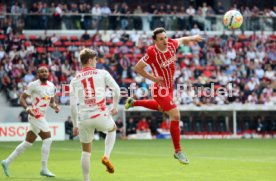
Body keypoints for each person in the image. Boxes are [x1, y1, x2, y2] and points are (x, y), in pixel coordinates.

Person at [125, 27, 203, 164]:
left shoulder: (172, 44)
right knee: (175, 115)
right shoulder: (152, 52)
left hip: (169, 87)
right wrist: (153, 78)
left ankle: (133, 102)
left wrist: (192, 38)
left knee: (162, 108)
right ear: (155, 41)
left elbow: (182, 40)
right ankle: (178, 151)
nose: (165, 41)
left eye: (165, 37)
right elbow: (137, 68)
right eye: (161, 39)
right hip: (158, 88)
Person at [70, 48, 120, 181]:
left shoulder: (75, 80)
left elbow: (72, 106)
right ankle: (106, 156)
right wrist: (114, 106)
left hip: (84, 117)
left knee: (86, 152)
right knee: (112, 129)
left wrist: (75, 125)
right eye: (95, 59)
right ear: (90, 60)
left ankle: (86, 180)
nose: (96, 62)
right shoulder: (102, 73)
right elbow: (117, 90)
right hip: (100, 114)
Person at [1, 66, 60, 177]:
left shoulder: (52, 86)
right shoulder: (33, 85)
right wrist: (27, 108)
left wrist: (55, 106)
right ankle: (44, 169)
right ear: (38, 74)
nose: (44, 73)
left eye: (46, 71)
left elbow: (51, 102)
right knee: (48, 139)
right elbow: (22, 98)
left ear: (48, 73)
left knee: (27, 143)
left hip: (42, 115)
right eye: (41, 71)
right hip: (34, 114)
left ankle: (6, 162)